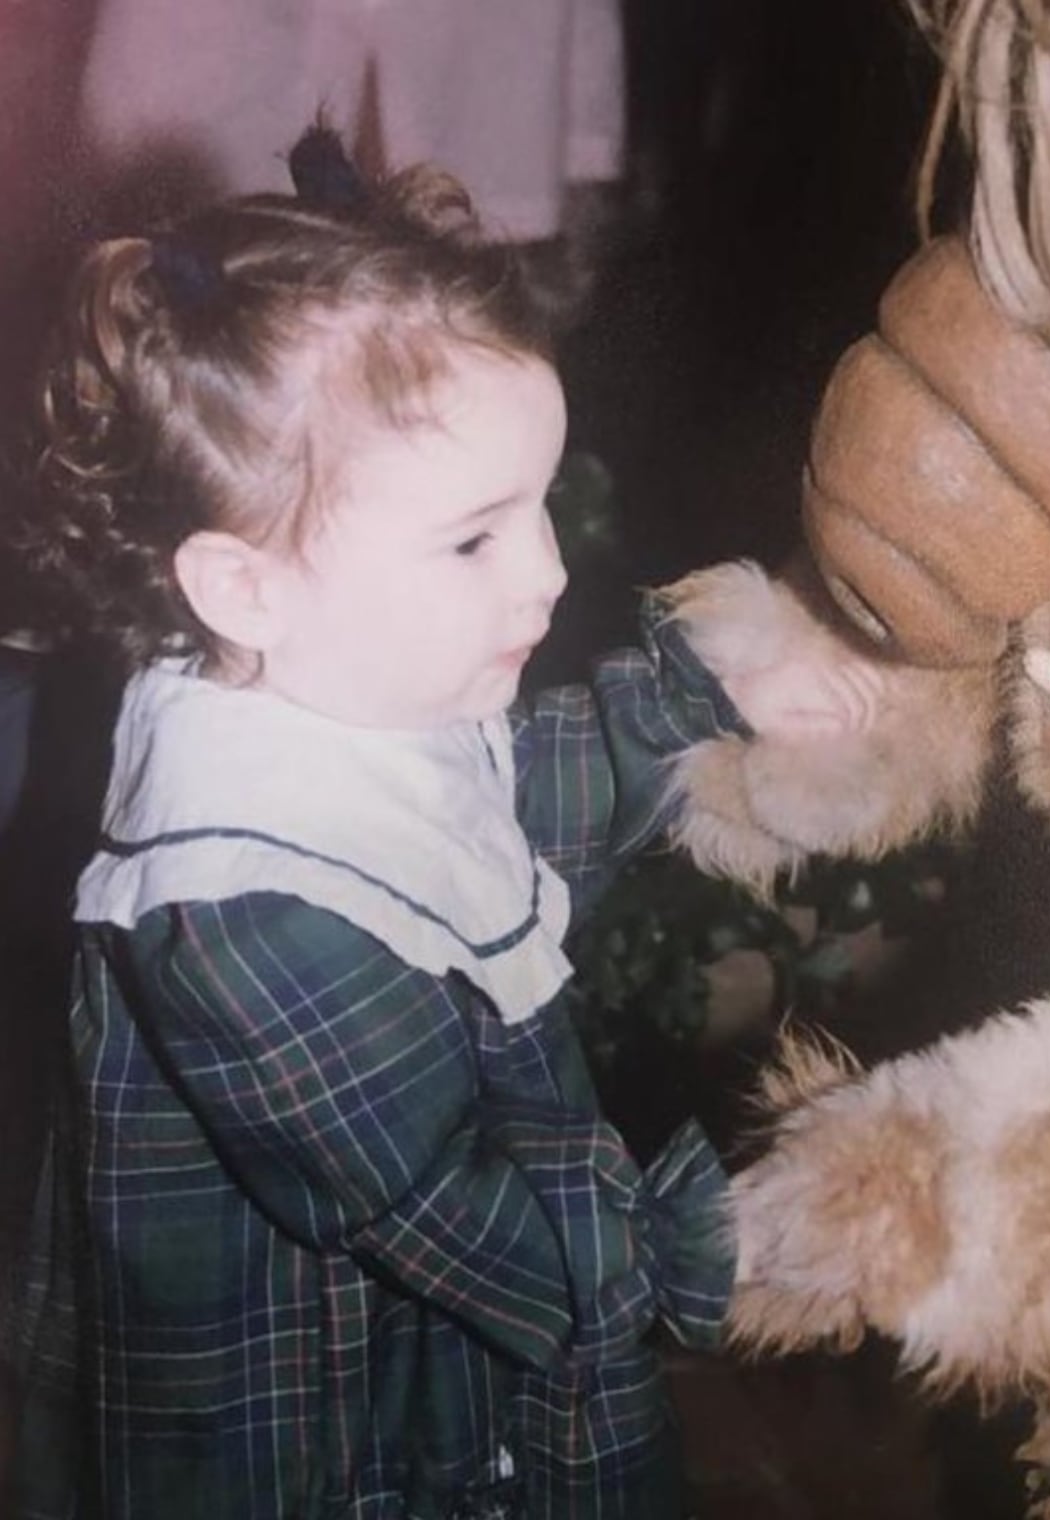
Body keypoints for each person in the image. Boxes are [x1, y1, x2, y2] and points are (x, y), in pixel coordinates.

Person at [2, 127, 872, 1520]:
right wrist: (731, 1242)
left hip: (441, 1279)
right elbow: (490, 1242)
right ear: (242, 587)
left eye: (538, 503)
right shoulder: (251, 924)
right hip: (345, 1398)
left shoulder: (330, 672)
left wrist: (696, 693)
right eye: (474, 536)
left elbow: (496, 800)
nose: (544, 571)